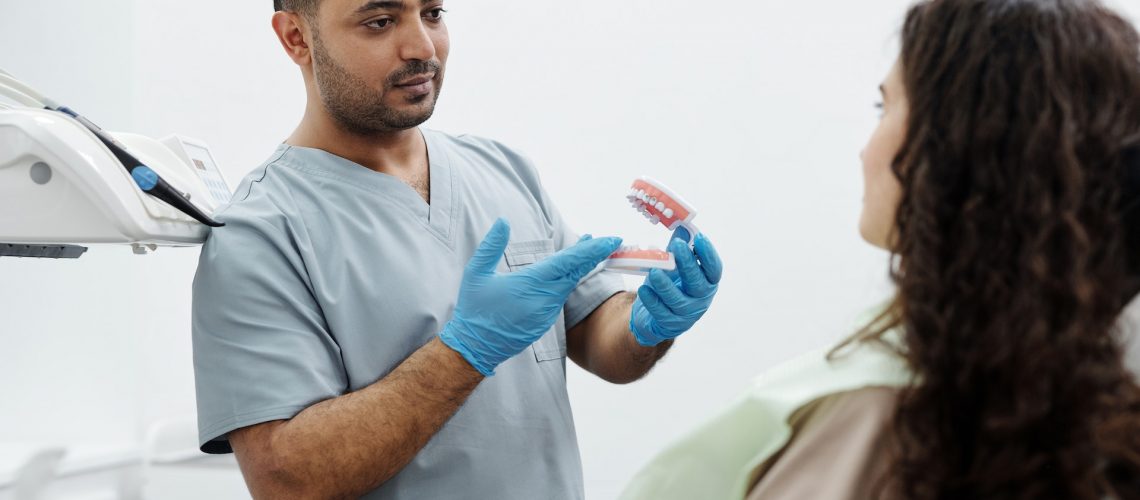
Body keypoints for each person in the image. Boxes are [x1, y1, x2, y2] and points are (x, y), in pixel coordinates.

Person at [189, 0, 724, 498]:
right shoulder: (258, 232)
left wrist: (647, 324)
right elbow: (287, 478)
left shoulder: (504, 171)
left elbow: (595, 336)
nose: (423, 47)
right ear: (296, 38)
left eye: (432, 12)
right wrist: (465, 351)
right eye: (380, 21)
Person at [621, 0, 1140, 498]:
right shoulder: (1092, 393)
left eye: (884, 106)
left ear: (958, 148)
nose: (864, 148)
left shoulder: (879, 416)